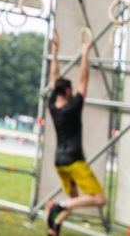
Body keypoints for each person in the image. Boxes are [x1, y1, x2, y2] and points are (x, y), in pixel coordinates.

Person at [46, 32, 106, 235]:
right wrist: (84, 52)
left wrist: (54, 53)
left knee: (74, 201)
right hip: (74, 160)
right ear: (68, 92)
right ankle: (58, 207)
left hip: (59, 162)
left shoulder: (53, 106)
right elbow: (83, 79)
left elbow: (54, 79)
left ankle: (55, 228)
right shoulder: (73, 107)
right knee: (99, 199)